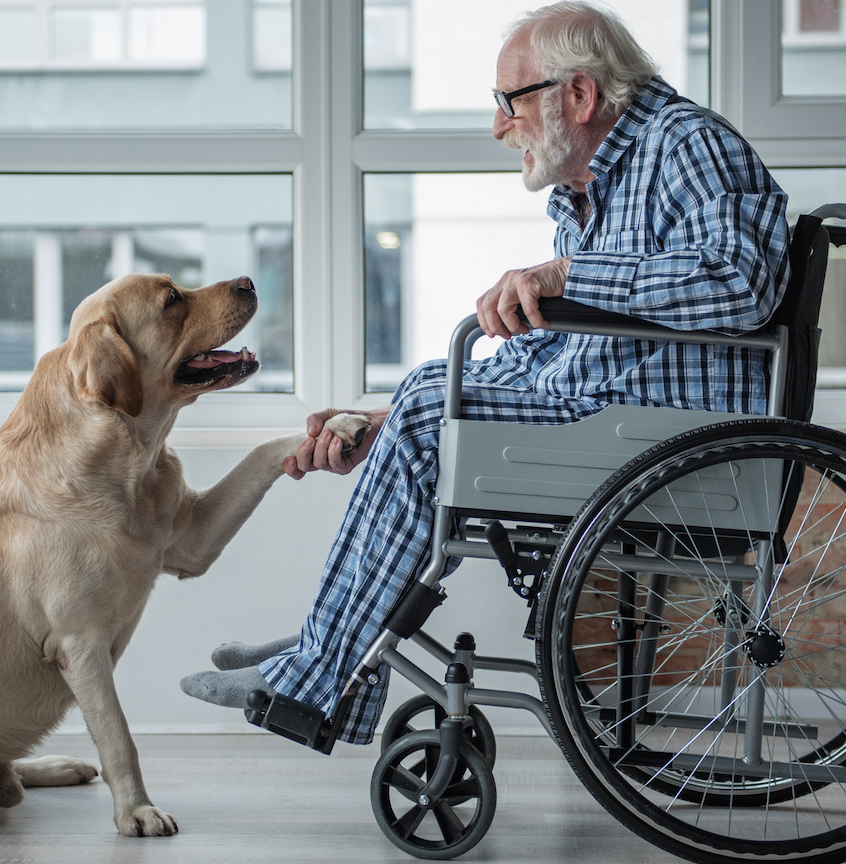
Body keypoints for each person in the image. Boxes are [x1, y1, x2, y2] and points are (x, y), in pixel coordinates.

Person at [180, 0, 790, 746]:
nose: (499, 126)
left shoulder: (688, 145)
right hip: (618, 422)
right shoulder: (592, 187)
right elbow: (558, 347)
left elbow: (741, 284)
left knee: (434, 400)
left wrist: (572, 275)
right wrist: (388, 419)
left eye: (509, 102)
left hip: (679, 444)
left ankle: (322, 665)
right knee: (433, 386)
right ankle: (327, 647)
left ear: (579, 94)